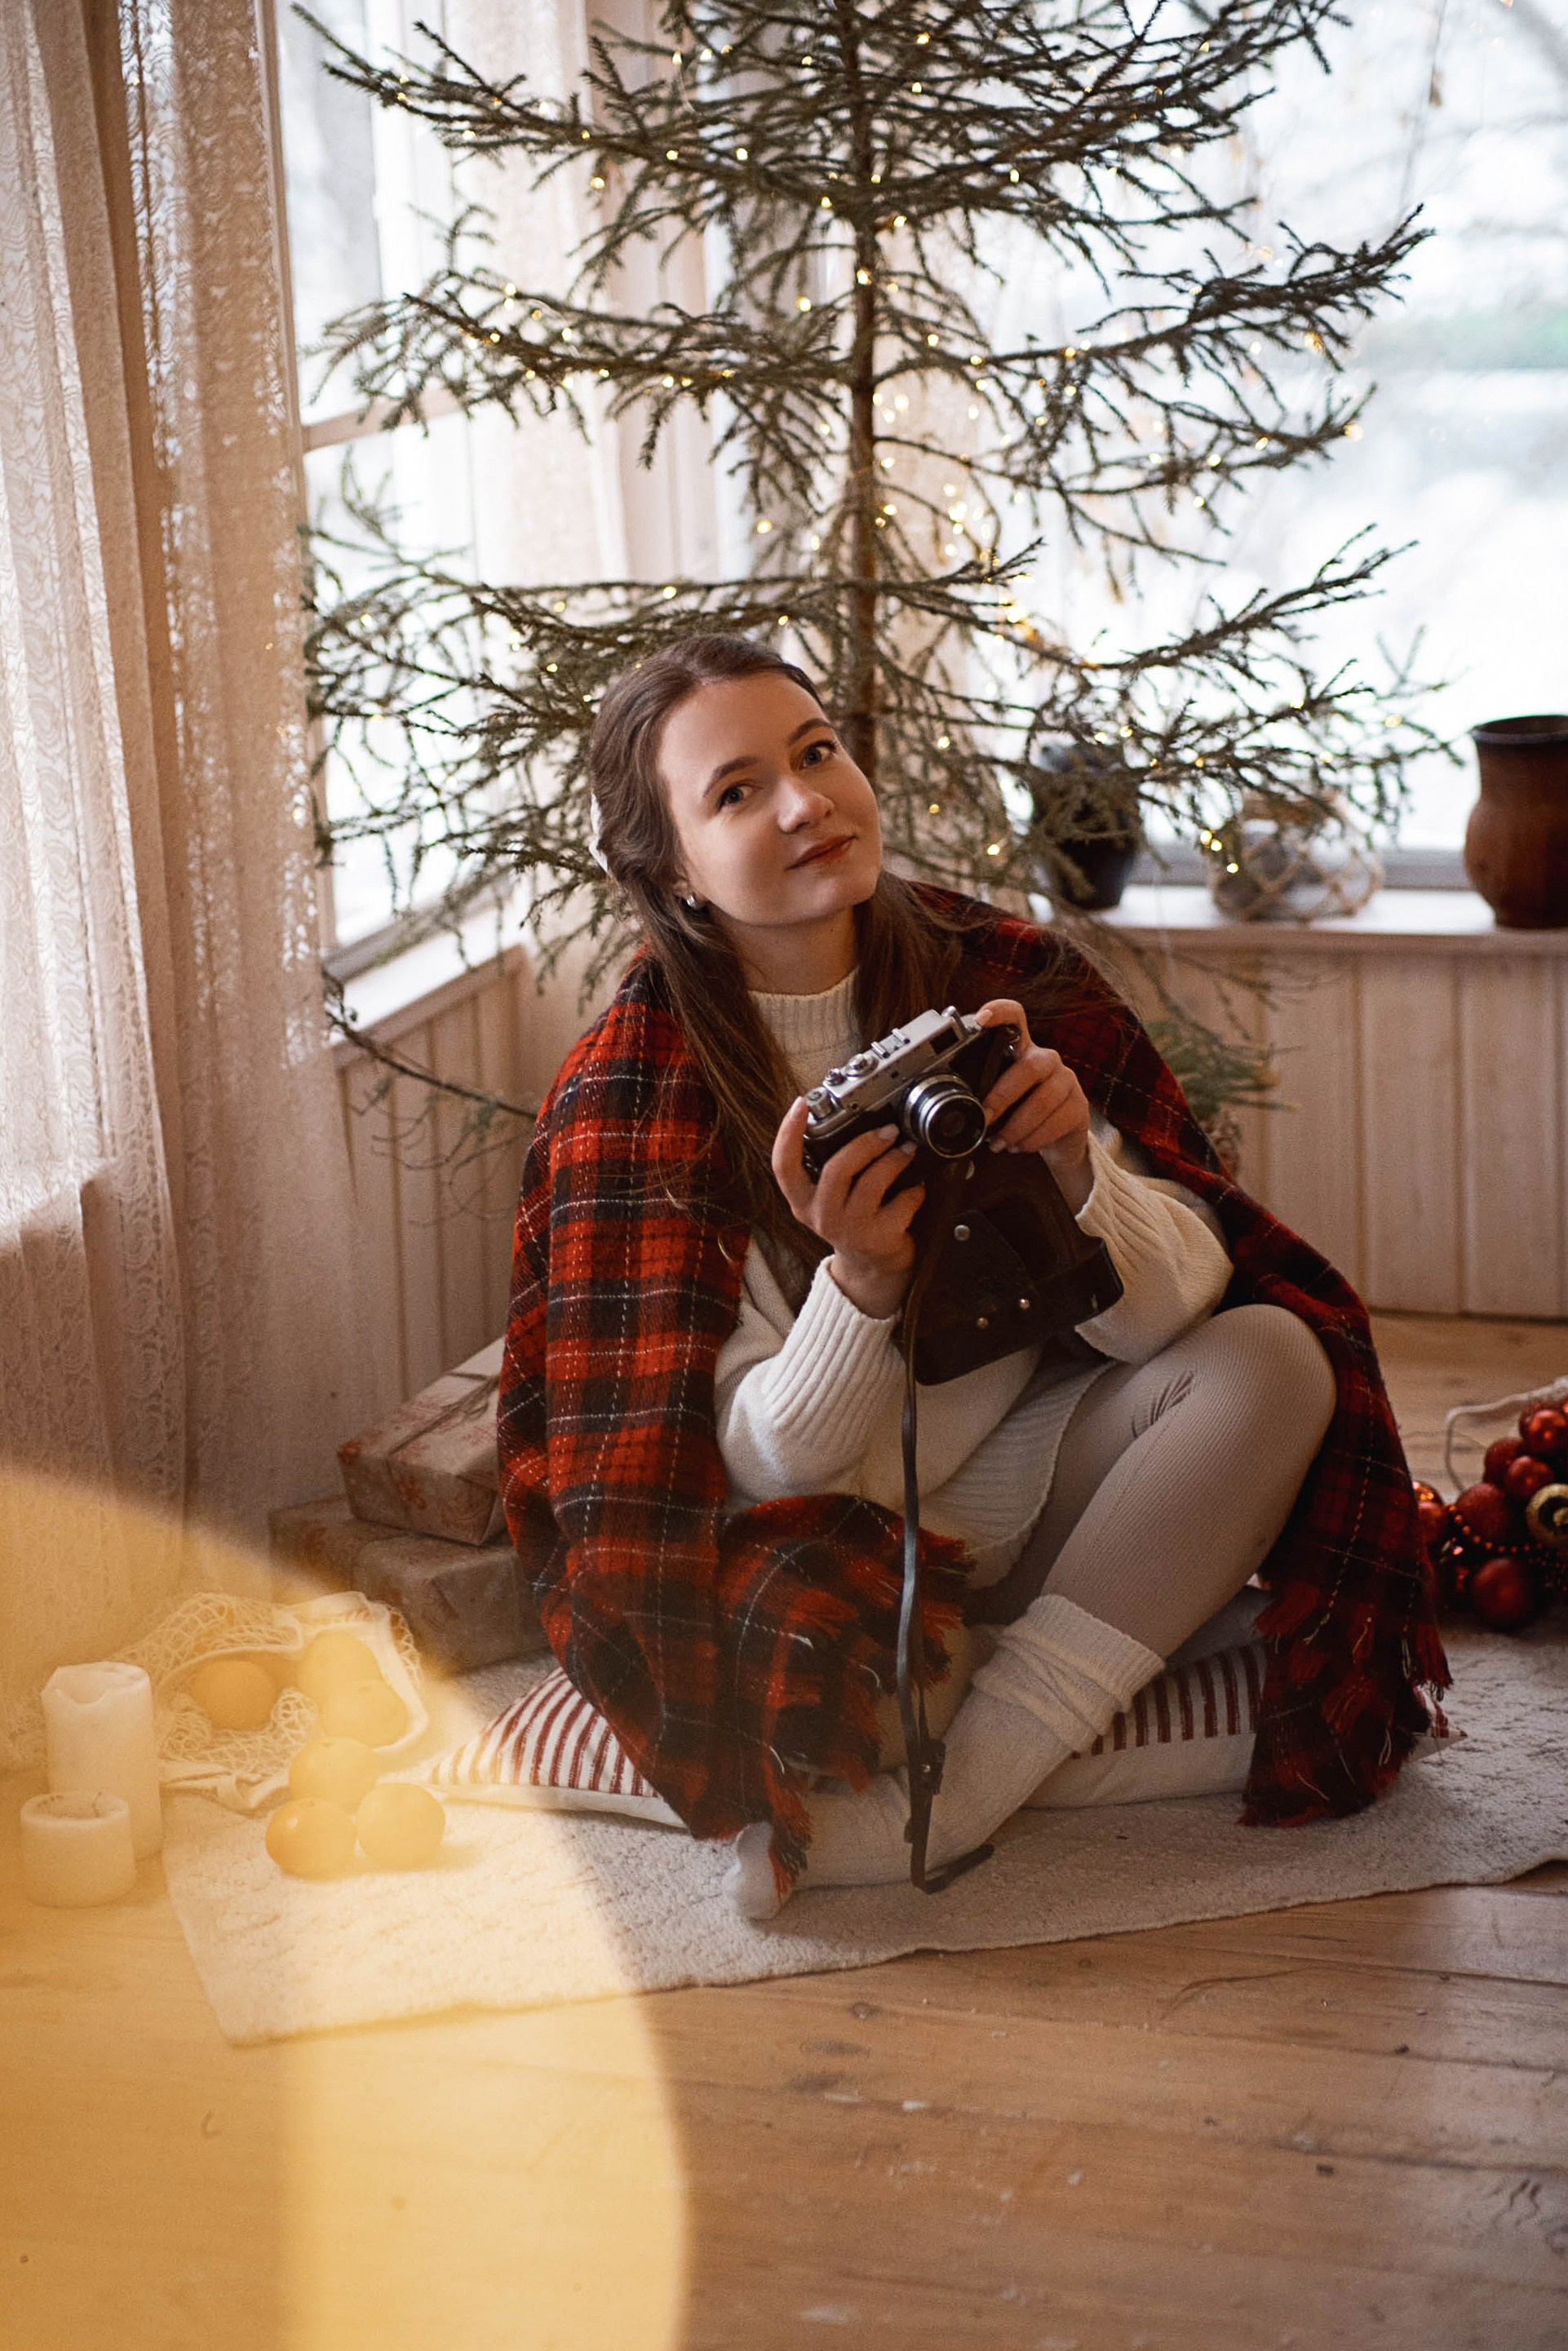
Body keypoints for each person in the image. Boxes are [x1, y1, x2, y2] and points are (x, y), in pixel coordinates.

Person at [497, 635, 1448, 1919]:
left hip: (1038, 1468)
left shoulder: (1000, 978)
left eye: (817, 751)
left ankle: (961, 1794)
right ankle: (1101, 1660)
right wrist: (860, 1285)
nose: (804, 802)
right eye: (735, 791)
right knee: (850, 1686)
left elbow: (1174, 1317)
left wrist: (1075, 1171)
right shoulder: (632, 1096)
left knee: (1275, 1359)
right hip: (827, 1538)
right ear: (671, 869)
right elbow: (758, 1469)